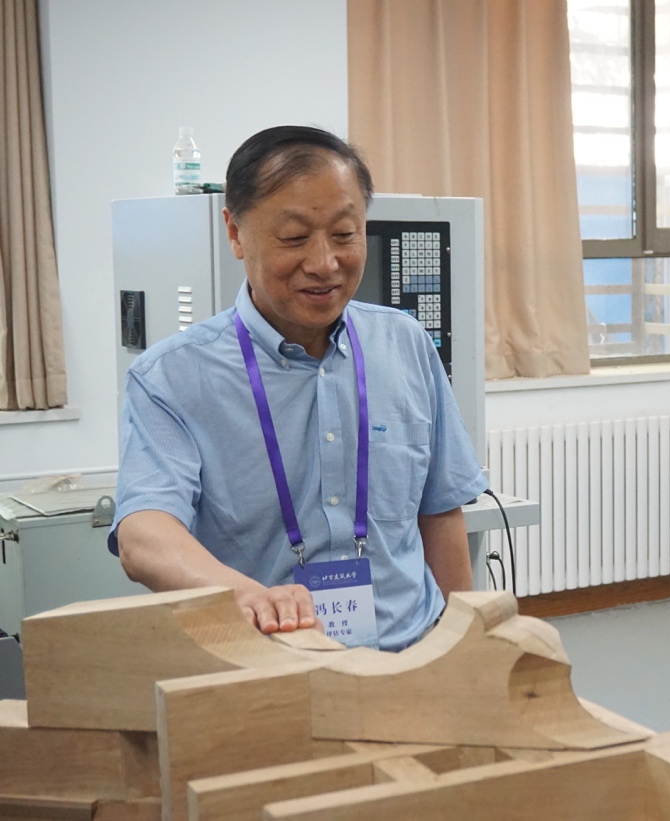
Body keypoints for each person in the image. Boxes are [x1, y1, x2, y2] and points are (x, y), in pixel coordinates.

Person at [112, 126, 487, 651]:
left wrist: (465, 645)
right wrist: (245, 594)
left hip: (409, 655)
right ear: (236, 233)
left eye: (344, 234)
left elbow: (440, 510)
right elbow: (143, 534)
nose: (324, 263)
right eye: (294, 238)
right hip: (269, 665)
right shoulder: (171, 377)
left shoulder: (403, 343)